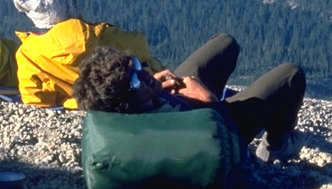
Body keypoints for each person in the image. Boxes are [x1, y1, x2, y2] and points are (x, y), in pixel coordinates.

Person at [73, 44, 307, 163]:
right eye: (134, 79)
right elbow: (223, 143)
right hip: (219, 119)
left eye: (134, 64)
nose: (143, 73)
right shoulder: (160, 131)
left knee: (225, 44)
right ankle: (276, 147)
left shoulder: (135, 105)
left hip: (173, 101)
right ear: (124, 104)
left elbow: (139, 94)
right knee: (291, 75)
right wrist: (209, 100)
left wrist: (154, 90)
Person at [12, 0, 158, 108]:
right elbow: (141, 46)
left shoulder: (28, 54)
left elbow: (35, 100)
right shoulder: (101, 36)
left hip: (84, 105)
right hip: (137, 97)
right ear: (68, 9)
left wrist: (67, 102)